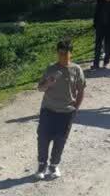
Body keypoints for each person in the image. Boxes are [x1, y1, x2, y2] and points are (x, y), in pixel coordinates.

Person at [36, 39, 85, 180]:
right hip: (48, 109)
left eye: (65, 53)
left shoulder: (76, 69)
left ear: (71, 53)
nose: (62, 56)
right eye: (60, 53)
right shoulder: (51, 69)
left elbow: (81, 90)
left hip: (66, 112)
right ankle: (41, 165)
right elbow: (40, 88)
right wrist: (48, 83)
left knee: (60, 140)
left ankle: (54, 166)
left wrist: (75, 108)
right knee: (43, 138)